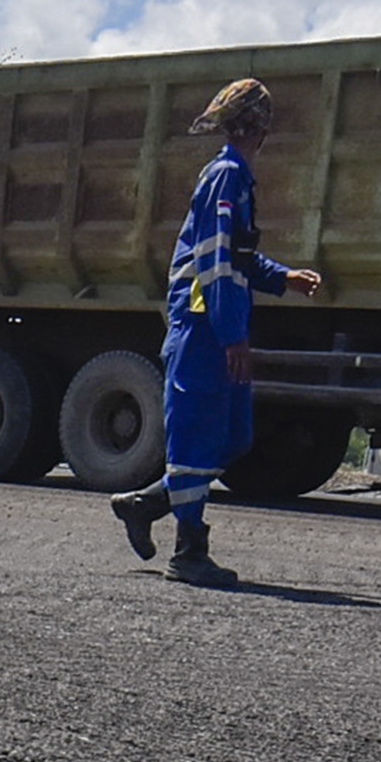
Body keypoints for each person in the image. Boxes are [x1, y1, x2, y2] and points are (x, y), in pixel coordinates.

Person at [115, 78, 322, 584]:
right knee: (199, 434)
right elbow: (214, 264)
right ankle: (188, 553)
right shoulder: (226, 175)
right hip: (204, 326)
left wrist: (282, 278)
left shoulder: (236, 177)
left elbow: (237, 257)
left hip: (217, 321)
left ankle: (146, 505)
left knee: (232, 437)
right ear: (260, 128)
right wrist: (232, 333)